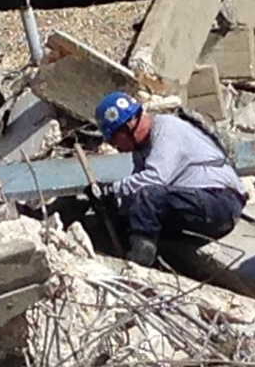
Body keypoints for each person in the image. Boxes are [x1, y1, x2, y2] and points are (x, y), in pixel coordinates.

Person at [91, 91, 247, 266]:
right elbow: (134, 200)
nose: (117, 147)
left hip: (219, 201)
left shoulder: (166, 127)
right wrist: (109, 205)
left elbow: (156, 179)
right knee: (134, 217)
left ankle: (139, 265)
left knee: (149, 197)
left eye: (115, 139)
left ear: (129, 124)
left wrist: (113, 189)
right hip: (199, 207)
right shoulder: (143, 152)